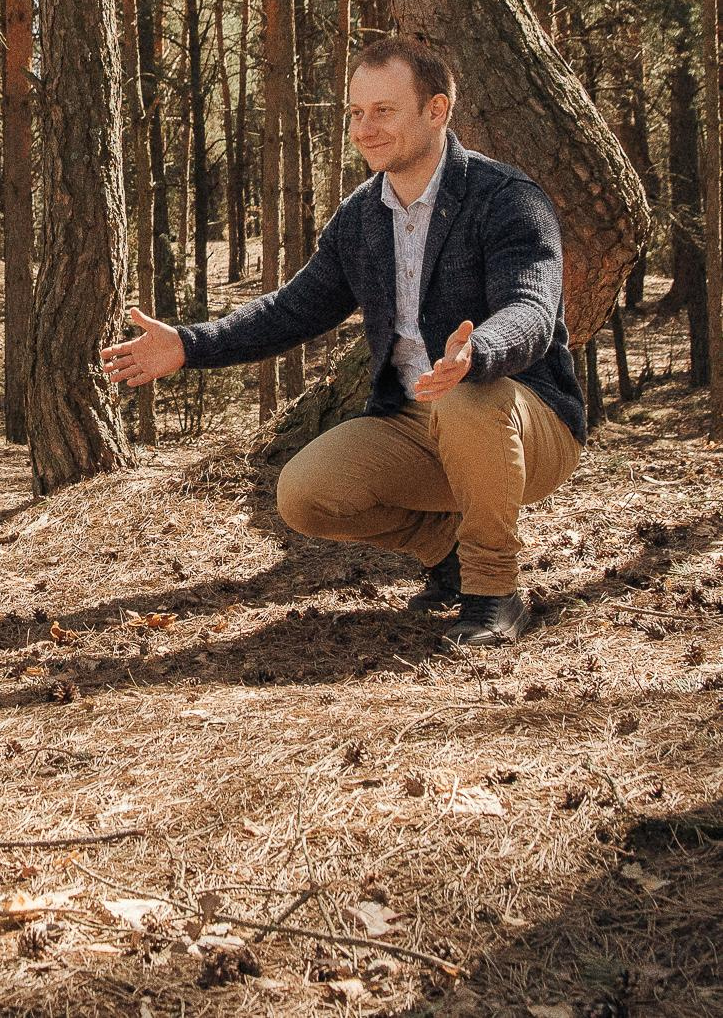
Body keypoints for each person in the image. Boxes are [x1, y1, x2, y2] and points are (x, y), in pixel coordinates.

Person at [100, 36, 583, 649]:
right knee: (306, 494)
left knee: (466, 398)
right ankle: (449, 554)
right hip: (416, 423)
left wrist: (478, 352)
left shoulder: (507, 198)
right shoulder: (361, 218)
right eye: (355, 112)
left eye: (383, 110)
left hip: (525, 422)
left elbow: (531, 308)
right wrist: (189, 346)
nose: (364, 128)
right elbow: (292, 310)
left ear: (436, 110)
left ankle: (495, 590)